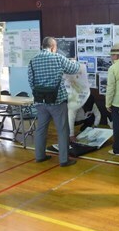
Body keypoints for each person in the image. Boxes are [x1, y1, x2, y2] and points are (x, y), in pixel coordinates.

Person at [28, 36, 80, 167]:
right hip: (57, 101)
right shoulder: (58, 58)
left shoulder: (33, 61)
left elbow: (30, 80)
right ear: (52, 47)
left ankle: (39, 156)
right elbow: (74, 69)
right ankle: (64, 160)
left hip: (40, 101)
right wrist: (75, 62)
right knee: (62, 130)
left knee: (41, 129)